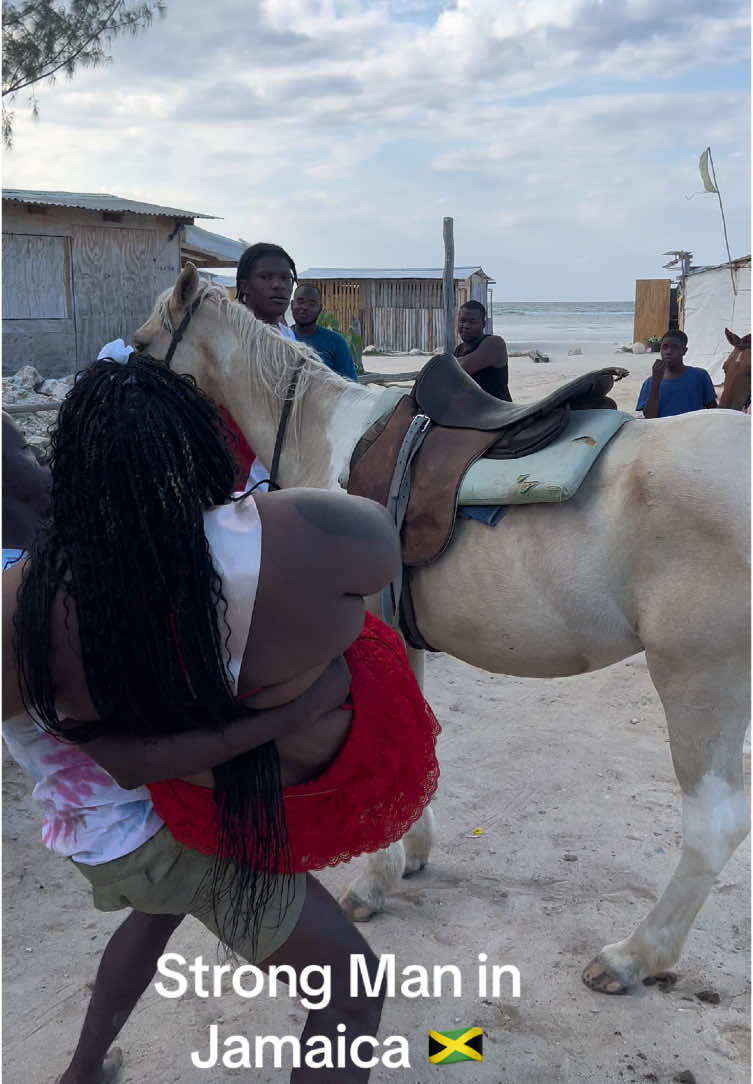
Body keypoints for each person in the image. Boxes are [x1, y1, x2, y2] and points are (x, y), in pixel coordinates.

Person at [4, 356, 440, 1083]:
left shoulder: (45, 587)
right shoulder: (46, 601)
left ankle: (82, 1072)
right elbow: (132, 765)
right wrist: (295, 709)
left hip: (114, 826)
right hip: (155, 826)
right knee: (351, 991)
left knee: (155, 916)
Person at [636, 329, 717, 418]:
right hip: (663, 431)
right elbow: (649, 418)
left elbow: (713, 412)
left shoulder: (700, 376)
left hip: (694, 431)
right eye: (665, 347)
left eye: (675, 347)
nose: (669, 352)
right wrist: (655, 383)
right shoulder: (649, 383)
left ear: (684, 351)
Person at [291, 284, 359, 381]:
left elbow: (351, 384)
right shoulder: (282, 338)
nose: (305, 307)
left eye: (312, 304)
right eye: (300, 302)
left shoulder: (336, 342)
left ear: (320, 309)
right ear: (292, 305)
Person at [453, 299, 511, 401]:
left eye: (472, 322)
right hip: (476, 411)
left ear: (483, 324)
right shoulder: (458, 350)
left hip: (499, 413)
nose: (466, 326)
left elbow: (458, 369)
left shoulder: (495, 343)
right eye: (462, 321)